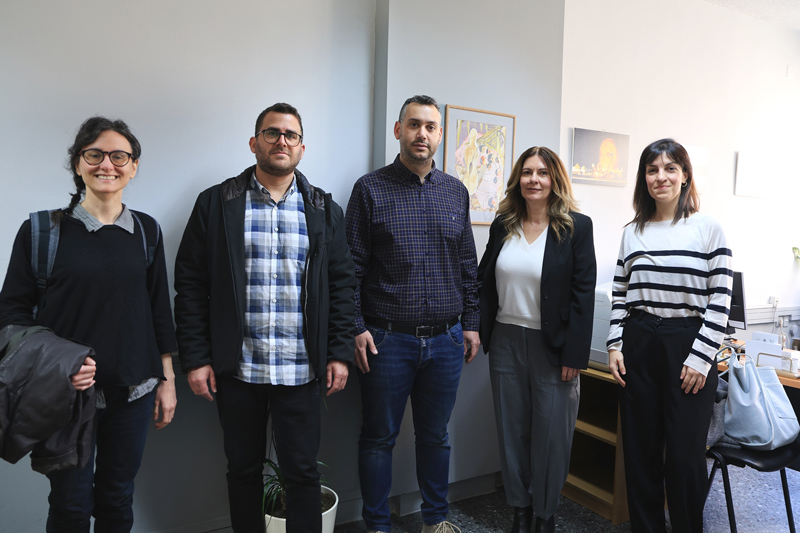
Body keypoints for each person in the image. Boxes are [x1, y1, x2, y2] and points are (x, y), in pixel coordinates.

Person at [174, 103, 356, 533]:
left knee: (302, 473)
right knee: (242, 471)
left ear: (302, 148)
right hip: (238, 369)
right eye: (272, 133)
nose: (281, 141)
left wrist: (339, 353)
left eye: (291, 135)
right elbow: (190, 285)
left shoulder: (323, 209)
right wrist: (196, 358)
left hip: (300, 369)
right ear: (254, 142)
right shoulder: (217, 203)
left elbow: (342, 286)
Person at [0, 116, 177, 531]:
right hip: (66, 396)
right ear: (78, 164)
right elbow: (10, 315)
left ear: (133, 166)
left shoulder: (146, 230)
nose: (107, 165)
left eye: (119, 156)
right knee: (70, 506)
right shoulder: (42, 231)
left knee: (117, 499)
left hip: (134, 390)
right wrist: (62, 363)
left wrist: (167, 380)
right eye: (94, 155)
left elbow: (158, 311)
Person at [345, 95, 481, 533]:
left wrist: (472, 324)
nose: (422, 134)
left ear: (440, 135)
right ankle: (377, 525)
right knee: (378, 437)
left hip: (446, 340)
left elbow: (467, 265)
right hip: (386, 340)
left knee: (436, 436)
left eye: (430, 127)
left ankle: (435, 520)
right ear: (398, 130)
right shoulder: (370, 189)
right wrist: (356, 327)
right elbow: (350, 268)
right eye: (414, 124)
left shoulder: (456, 192)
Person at [607, 138, 732, 532]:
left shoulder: (708, 229)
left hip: (688, 344)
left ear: (685, 176)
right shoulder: (633, 232)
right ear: (644, 178)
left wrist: (701, 357)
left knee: (684, 458)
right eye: (652, 170)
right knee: (640, 454)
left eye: (669, 168)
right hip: (639, 341)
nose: (660, 177)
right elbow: (620, 293)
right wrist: (614, 344)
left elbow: (721, 299)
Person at [477, 146, 596, 533]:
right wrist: (474, 328)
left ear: (555, 180)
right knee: (512, 432)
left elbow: (583, 295)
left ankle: (545, 514)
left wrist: (575, 355)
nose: (534, 179)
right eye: (527, 172)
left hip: (554, 348)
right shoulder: (503, 224)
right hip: (506, 341)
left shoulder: (576, 228)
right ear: (518, 180)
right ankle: (519, 510)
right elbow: (483, 281)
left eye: (543, 173)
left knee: (551, 436)